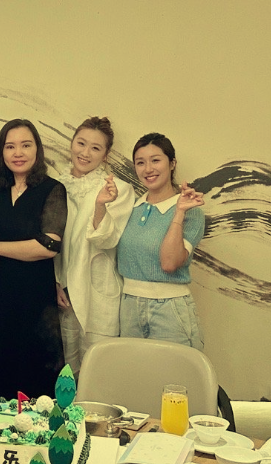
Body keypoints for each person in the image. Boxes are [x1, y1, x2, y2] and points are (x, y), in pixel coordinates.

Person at [0, 119, 66, 399]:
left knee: (36, 388)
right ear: (1, 152)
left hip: (36, 301)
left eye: (26, 145)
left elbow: (49, 244)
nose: (18, 153)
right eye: (10, 146)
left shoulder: (52, 189)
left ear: (37, 149)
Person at [54, 116, 133, 374]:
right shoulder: (55, 186)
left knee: (98, 372)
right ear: (72, 144)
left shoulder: (118, 189)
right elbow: (49, 240)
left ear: (105, 155)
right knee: (66, 374)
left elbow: (106, 240)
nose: (85, 153)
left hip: (97, 295)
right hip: (63, 296)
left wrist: (100, 205)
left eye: (95, 148)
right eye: (81, 143)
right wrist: (54, 281)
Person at [117, 132, 206, 351]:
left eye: (155, 160)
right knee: (133, 371)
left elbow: (169, 263)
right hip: (128, 307)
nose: (148, 169)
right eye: (140, 162)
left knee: (174, 373)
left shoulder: (191, 211)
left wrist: (179, 212)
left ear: (172, 163)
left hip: (170, 309)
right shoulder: (131, 207)